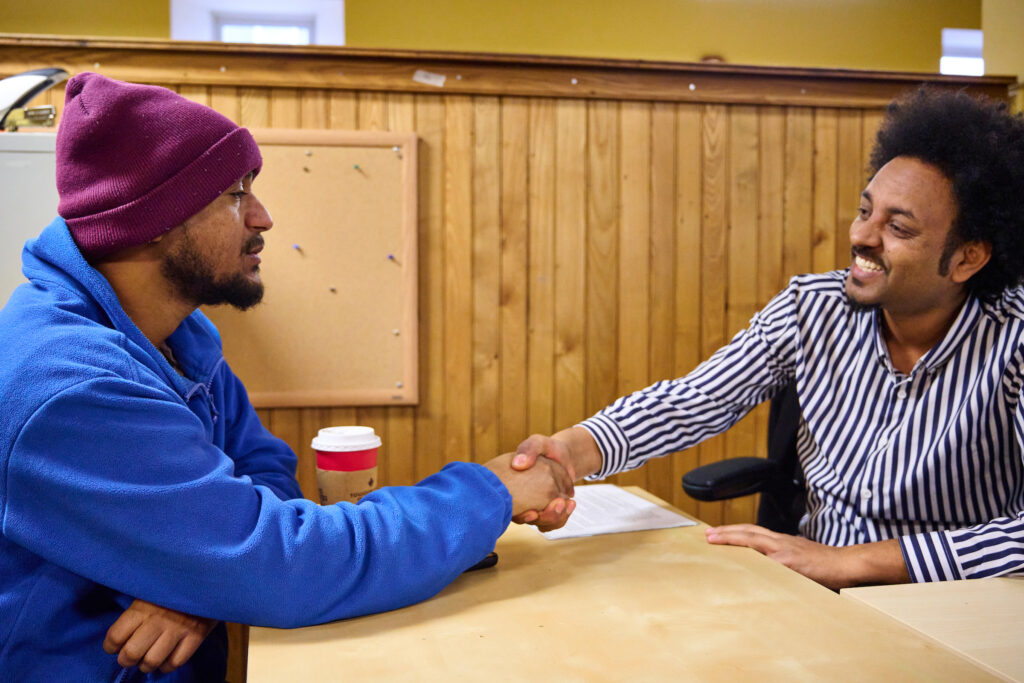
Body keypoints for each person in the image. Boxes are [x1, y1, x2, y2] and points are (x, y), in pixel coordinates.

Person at [0, 72, 573, 681]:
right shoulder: (72, 385)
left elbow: (265, 472)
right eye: (235, 194)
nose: (264, 217)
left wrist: (202, 575)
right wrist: (491, 490)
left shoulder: (177, 337)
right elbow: (283, 563)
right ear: (154, 217)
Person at [513, 87, 1024, 590]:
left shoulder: (1014, 339)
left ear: (967, 258)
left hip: (952, 606)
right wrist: (571, 451)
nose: (862, 237)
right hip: (815, 594)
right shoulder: (811, 307)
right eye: (865, 211)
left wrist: (853, 562)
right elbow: (695, 400)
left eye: (899, 228)